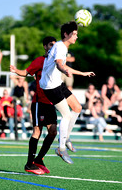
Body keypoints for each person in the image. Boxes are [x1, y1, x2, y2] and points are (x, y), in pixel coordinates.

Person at [39, 21, 95, 164]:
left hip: (57, 82)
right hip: (50, 86)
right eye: (74, 34)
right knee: (67, 115)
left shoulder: (61, 46)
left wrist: (83, 73)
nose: (77, 36)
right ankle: (61, 148)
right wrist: (64, 70)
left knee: (77, 107)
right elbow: (59, 64)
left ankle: (66, 137)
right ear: (66, 34)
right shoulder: (60, 47)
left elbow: (62, 66)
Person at [10, 36, 57, 175]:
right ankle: (29, 164)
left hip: (51, 102)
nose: (52, 47)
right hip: (39, 103)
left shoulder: (56, 62)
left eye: (54, 45)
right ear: (45, 46)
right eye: (50, 45)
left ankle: (39, 159)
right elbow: (25, 72)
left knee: (53, 132)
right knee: (37, 131)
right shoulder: (40, 61)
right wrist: (15, 70)